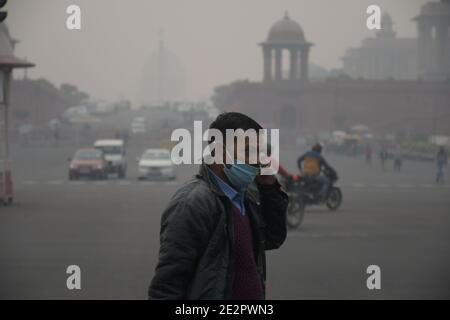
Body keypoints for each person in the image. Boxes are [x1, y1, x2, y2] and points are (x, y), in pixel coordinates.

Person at [148, 112, 288, 299]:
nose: (258, 160)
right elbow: (167, 287)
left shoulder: (246, 195)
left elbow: (272, 238)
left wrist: (269, 188)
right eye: (248, 151)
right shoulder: (193, 203)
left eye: (260, 152)